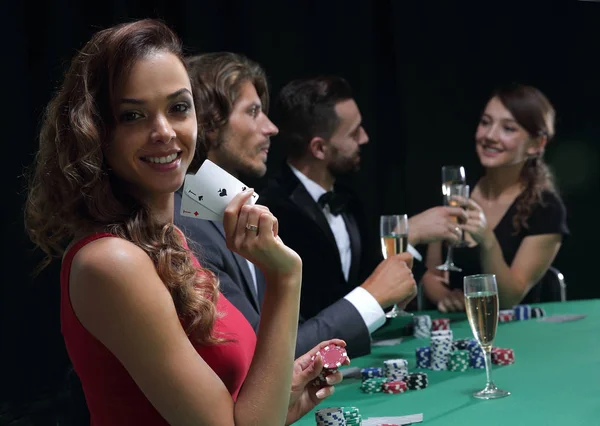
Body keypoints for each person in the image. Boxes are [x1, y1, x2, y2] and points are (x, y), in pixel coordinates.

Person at [24, 19, 346, 426]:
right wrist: (285, 278)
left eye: (178, 107)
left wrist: (279, 403)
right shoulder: (111, 262)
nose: (163, 132)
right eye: (133, 116)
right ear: (96, 132)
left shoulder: (168, 239)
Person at [175, 52, 384, 358]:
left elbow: (286, 332)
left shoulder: (237, 208)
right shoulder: (187, 227)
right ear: (209, 124)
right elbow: (259, 355)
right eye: (253, 111)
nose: (271, 127)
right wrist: (371, 298)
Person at [259, 75, 467, 333]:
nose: (365, 138)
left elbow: (364, 279)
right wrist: (407, 232)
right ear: (319, 149)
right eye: (354, 132)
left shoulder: (348, 195)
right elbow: (321, 303)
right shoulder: (273, 211)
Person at [422, 84, 569, 312]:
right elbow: (432, 273)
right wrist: (446, 297)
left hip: (517, 332)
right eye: (485, 122)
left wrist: (487, 240)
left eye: (508, 128)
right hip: (458, 329)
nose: (489, 136)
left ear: (536, 144)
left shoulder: (546, 208)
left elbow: (510, 297)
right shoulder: (454, 193)